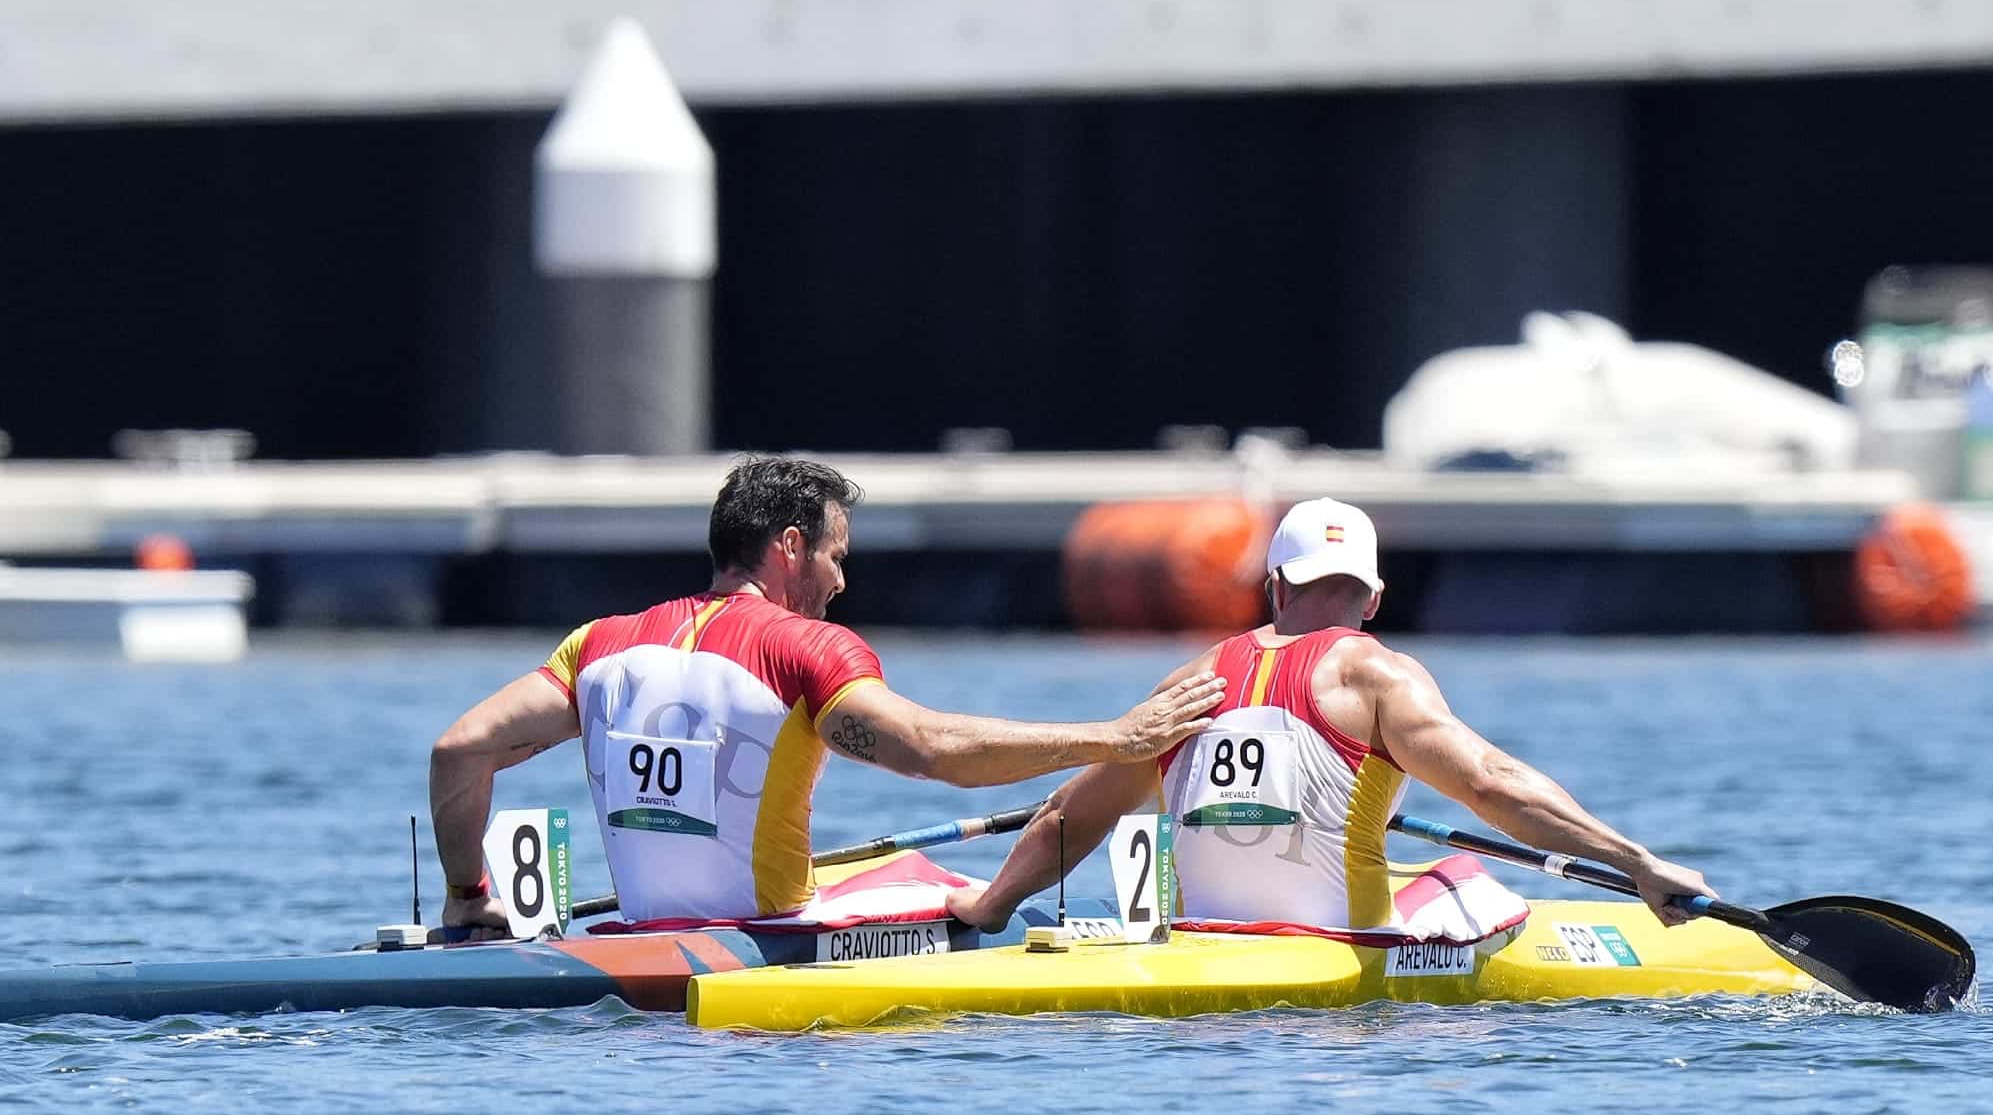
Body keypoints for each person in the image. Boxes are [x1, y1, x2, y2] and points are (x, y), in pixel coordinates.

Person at [431, 455, 1225, 938]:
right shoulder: (804, 647)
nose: (842, 580)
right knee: (949, 885)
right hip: (761, 942)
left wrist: (470, 896)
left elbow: (458, 749)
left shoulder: (598, 642)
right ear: (789, 547)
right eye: (835, 556)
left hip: (638, 931)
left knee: (893, 865)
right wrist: (1114, 738)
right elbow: (931, 750)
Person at [947, 497, 1716, 934]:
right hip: (1340, 969)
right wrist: (1638, 863)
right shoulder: (1375, 675)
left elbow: (1067, 817)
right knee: (1462, 876)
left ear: (1276, 586)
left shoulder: (1192, 679)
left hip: (1198, 954)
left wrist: (990, 905)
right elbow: (1491, 783)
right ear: (1374, 598)